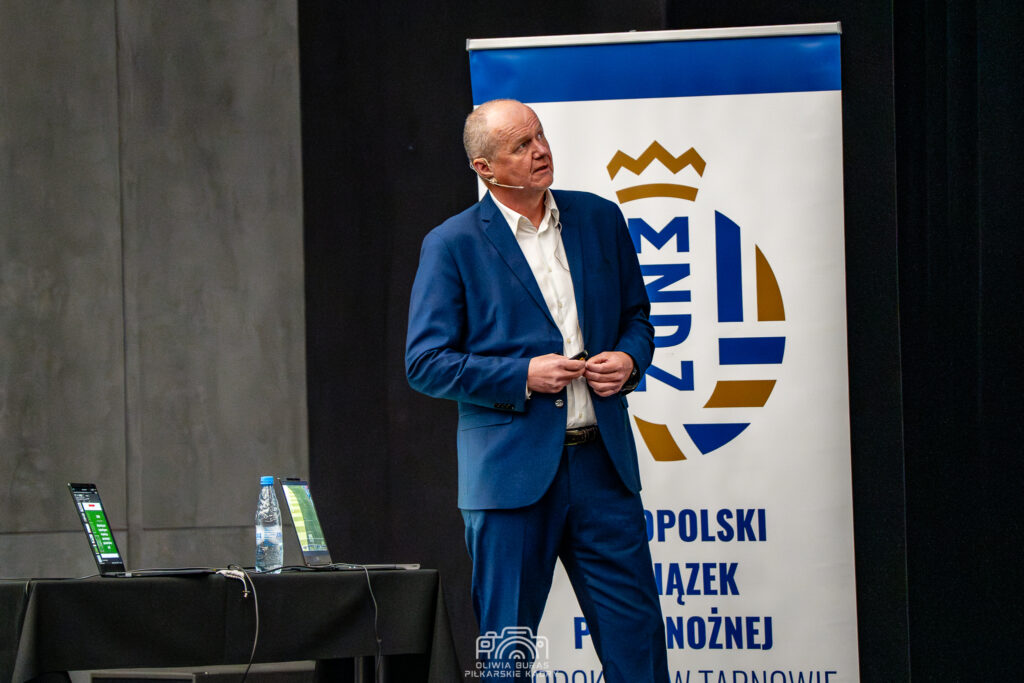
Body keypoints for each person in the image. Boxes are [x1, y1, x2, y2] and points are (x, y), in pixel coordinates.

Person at [405, 99, 669, 682]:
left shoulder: (599, 218)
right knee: (508, 655)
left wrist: (629, 359)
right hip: (510, 479)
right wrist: (521, 376)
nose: (541, 151)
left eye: (540, 136)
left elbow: (638, 318)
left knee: (639, 646)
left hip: (603, 468)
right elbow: (424, 363)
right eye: (521, 145)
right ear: (484, 168)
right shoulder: (452, 244)